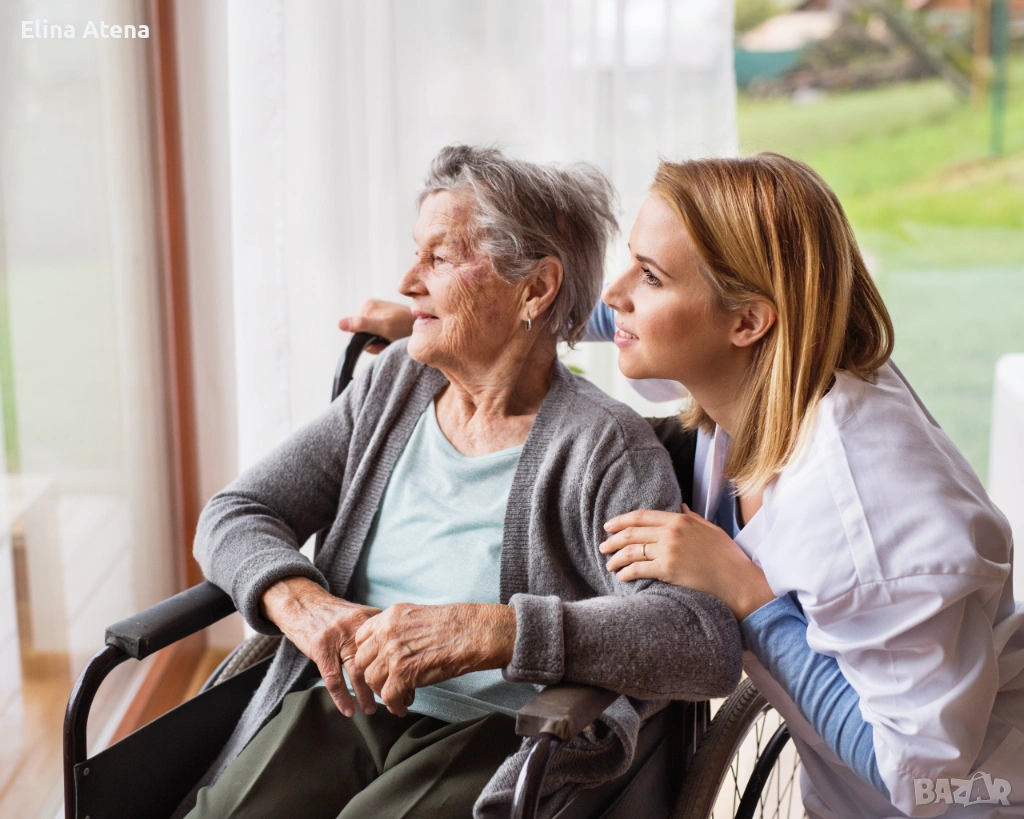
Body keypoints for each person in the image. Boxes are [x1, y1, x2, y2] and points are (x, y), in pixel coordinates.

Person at [342, 153, 1024, 818]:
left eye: (649, 275)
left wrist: (746, 595)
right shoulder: (773, 368)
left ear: (747, 321)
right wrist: (472, 320)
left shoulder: (868, 509)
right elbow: (619, 313)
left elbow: (916, 778)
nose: (615, 294)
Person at [177, 145, 743, 819]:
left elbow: (699, 638)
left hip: (498, 731)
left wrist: (495, 630)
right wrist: (303, 603)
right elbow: (237, 511)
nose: (408, 281)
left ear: (535, 289)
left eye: (440, 258)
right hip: (344, 706)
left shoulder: (601, 445)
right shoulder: (393, 387)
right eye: (416, 253)